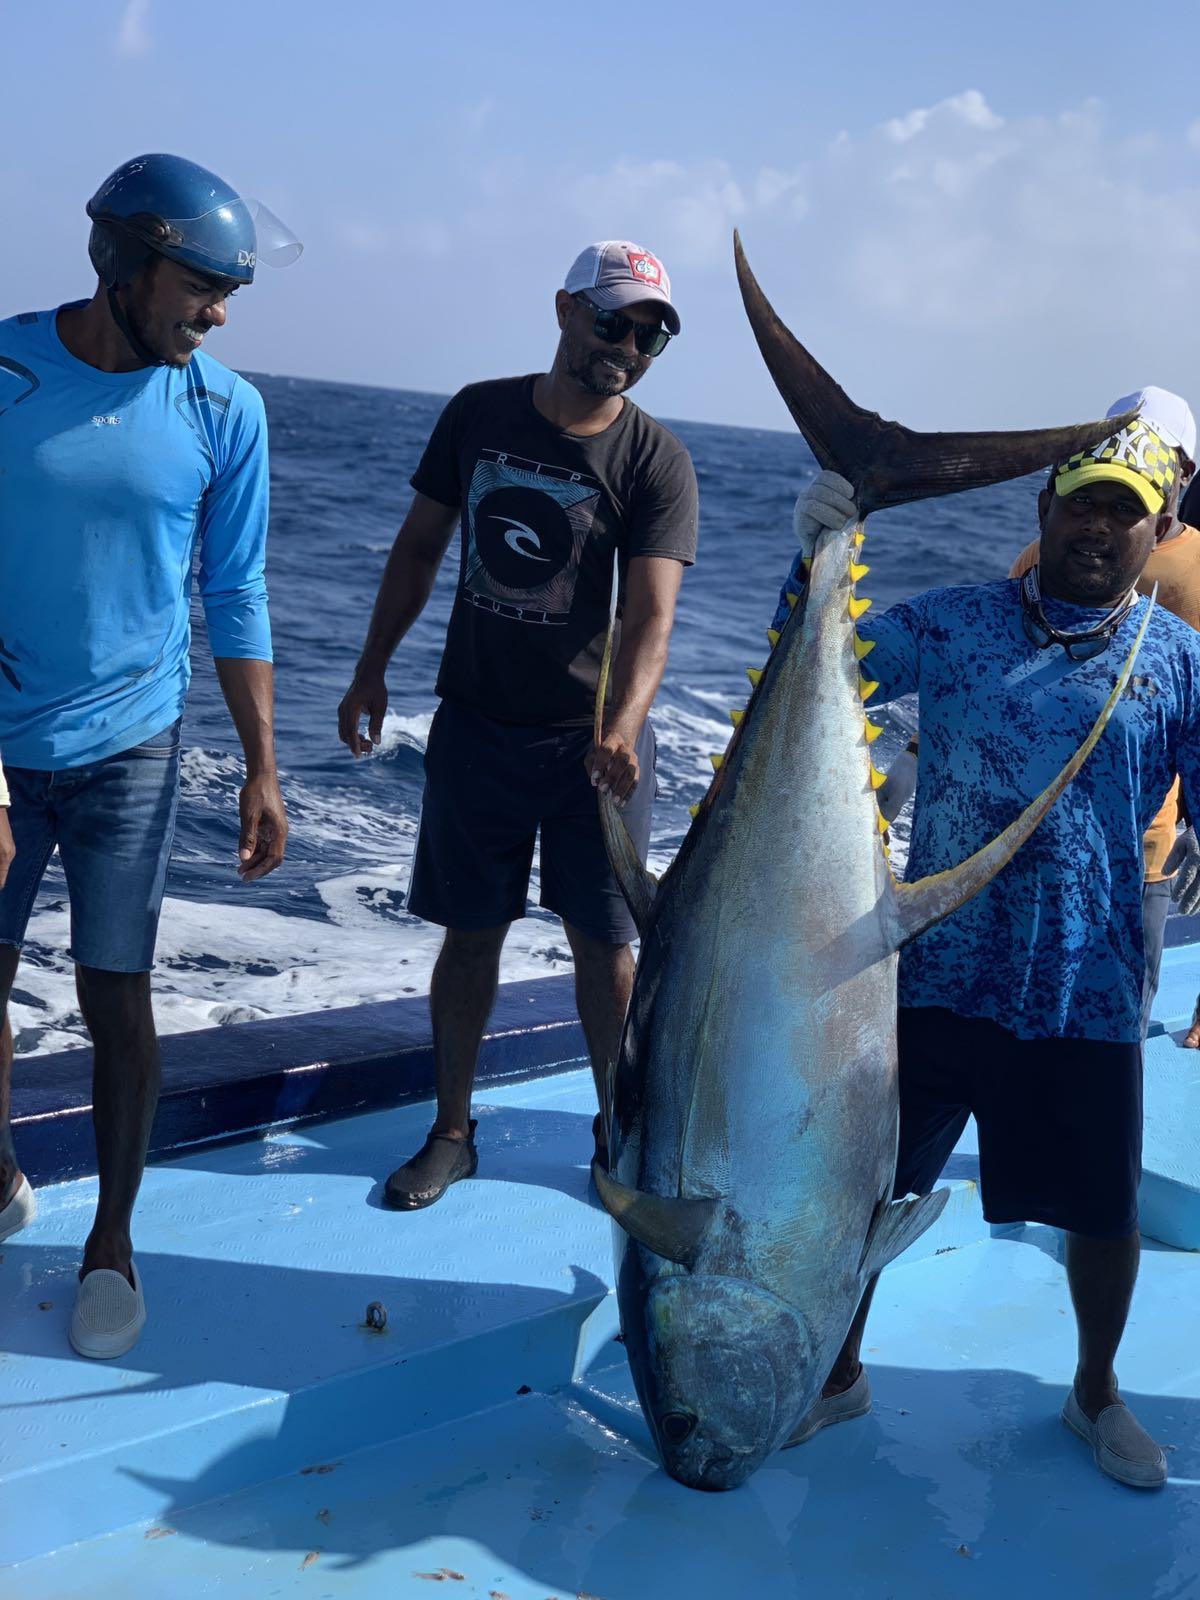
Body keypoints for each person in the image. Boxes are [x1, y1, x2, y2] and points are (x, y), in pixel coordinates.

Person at [773, 415, 1200, 1490]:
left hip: (1087, 989)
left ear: (1163, 530)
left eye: (1125, 510)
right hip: (932, 976)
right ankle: (839, 1374)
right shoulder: (954, 624)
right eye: (1084, 501)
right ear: (1042, 509)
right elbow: (814, 671)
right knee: (868, 1189)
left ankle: (1095, 1391)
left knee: (1103, 1214)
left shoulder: (1182, 662)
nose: (1100, 524)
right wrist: (817, 549)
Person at [0, 154, 299, 1359]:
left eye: (232, 289)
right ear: (122, 260)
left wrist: (265, 766)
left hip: (132, 744)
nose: (219, 311)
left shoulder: (229, 409)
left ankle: (113, 1242)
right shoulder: (9, 368)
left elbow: (238, 591)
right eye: (202, 284)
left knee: (115, 991)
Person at [338, 241, 698, 1208]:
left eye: (651, 334)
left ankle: (618, 1134)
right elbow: (419, 548)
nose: (629, 344)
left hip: (595, 753)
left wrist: (621, 728)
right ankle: (453, 1132)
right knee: (471, 935)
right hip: (478, 730)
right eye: (613, 320)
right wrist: (372, 668)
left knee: (605, 947)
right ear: (564, 308)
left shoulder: (656, 458)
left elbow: (652, 614)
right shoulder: (479, 412)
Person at [1007, 389, 1200, 1043]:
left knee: (1116, 1020)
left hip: (1144, 845)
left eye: (1159, 454)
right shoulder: (1043, 554)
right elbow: (1000, 678)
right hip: (1027, 837)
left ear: (1186, 475)